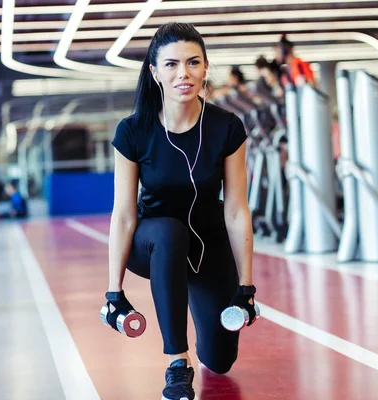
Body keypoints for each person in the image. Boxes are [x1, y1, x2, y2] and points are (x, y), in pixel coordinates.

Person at [106, 22, 257, 400]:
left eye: (192, 63)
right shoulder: (133, 131)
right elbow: (124, 215)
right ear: (155, 72)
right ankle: (177, 364)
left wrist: (246, 288)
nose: (183, 74)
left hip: (208, 247)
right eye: (171, 65)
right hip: (153, 244)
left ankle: (193, 299)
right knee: (169, 232)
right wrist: (113, 293)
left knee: (220, 360)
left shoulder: (227, 128)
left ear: (206, 67)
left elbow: (237, 210)